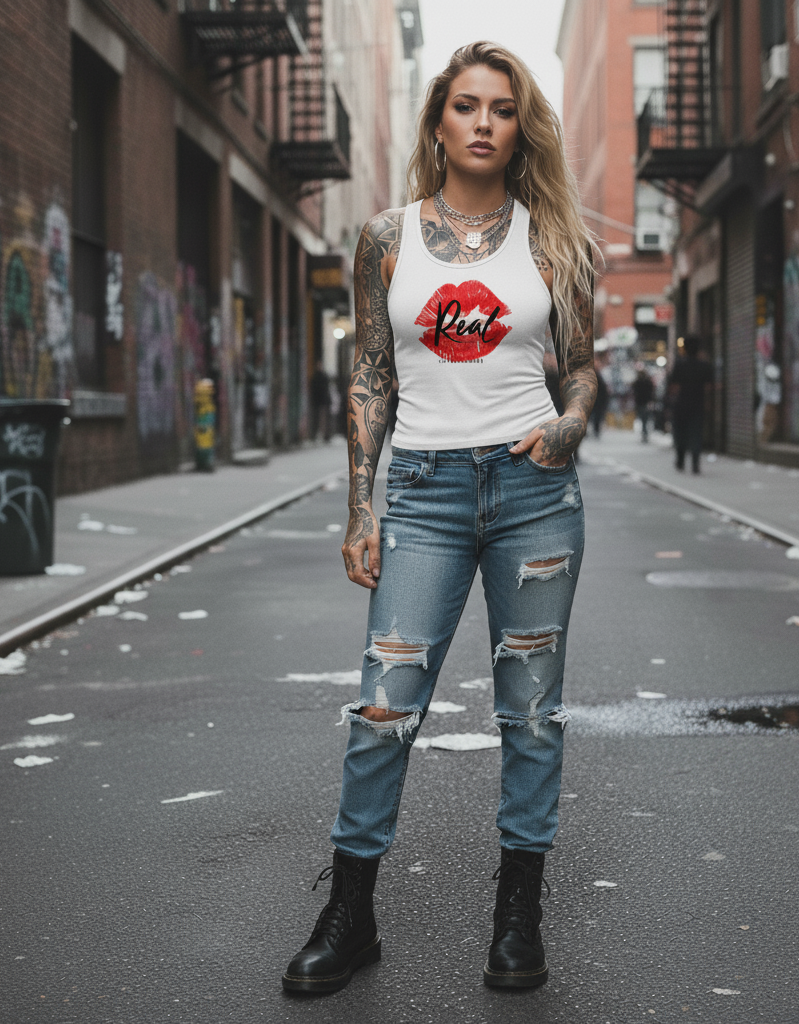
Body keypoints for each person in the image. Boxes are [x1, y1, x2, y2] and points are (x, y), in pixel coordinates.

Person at [281, 41, 597, 996]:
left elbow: (579, 366)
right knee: (384, 708)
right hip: (422, 493)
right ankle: (351, 914)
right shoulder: (386, 237)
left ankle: (517, 919)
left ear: (518, 125)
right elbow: (371, 373)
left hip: (534, 491)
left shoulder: (554, 237)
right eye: (466, 106)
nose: (484, 122)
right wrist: (358, 508)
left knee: (531, 715)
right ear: (439, 123)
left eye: (502, 108)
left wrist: (572, 423)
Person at [667, 335, 713, 472]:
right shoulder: (704, 365)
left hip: (681, 404)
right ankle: (695, 464)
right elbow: (710, 386)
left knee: (680, 433)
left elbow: (673, 386)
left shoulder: (680, 365)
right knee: (696, 434)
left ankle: (680, 461)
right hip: (697, 404)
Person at [309, 360, 333, 441]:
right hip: (318, 401)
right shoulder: (316, 377)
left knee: (324, 418)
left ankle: (325, 435)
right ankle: (316, 434)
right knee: (317, 418)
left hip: (323, 401)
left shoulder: (323, 377)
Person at [631, 366, 655, 442]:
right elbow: (652, 393)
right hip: (645, 402)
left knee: (643, 419)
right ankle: (645, 433)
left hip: (640, 402)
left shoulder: (637, 382)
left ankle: (644, 433)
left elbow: (634, 391)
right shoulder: (648, 382)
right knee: (645, 419)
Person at [590, 355, 610, 437]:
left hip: (599, 401)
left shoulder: (602, 374)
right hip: (593, 400)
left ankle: (596, 430)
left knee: (597, 416)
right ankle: (595, 429)